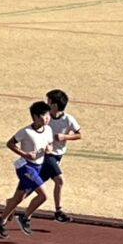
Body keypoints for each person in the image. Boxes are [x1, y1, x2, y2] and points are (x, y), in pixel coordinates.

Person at [0, 101, 55, 238]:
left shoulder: (48, 129)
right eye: (44, 115)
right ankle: (25, 218)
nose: (48, 118)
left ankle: (0, 221)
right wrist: (24, 154)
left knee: (18, 198)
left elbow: (50, 144)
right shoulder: (26, 132)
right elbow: (10, 143)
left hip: (38, 166)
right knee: (43, 196)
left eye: (48, 115)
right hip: (26, 167)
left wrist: (50, 149)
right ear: (35, 117)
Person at [40, 89, 82, 223]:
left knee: (34, 184)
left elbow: (79, 134)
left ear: (55, 105)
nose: (47, 104)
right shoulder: (45, 118)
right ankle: (59, 211)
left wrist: (65, 136)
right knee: (60, 181)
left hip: (58, 156)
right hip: (47, 155)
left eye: (49, 102)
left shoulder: (68, 119)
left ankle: (11, 206)